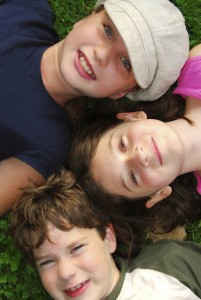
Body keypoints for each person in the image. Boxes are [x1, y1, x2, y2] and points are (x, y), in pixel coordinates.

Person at [0, 0, 189, 215]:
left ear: (122, 92)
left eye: (126, 63)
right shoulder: (28, 11)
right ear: (85, 19)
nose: (101, 54)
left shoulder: (48, 146)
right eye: (108, 30)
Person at [10, 169, 201, 300]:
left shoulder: (169, 262)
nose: (66, 272)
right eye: (47, 262)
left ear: (108, 237)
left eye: (76, 248)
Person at [70, 44, 201, 207]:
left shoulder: (198, 67)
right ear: (158, 194)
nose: (138, 156)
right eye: (133, 177)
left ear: (133, 117)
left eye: (122, 144)